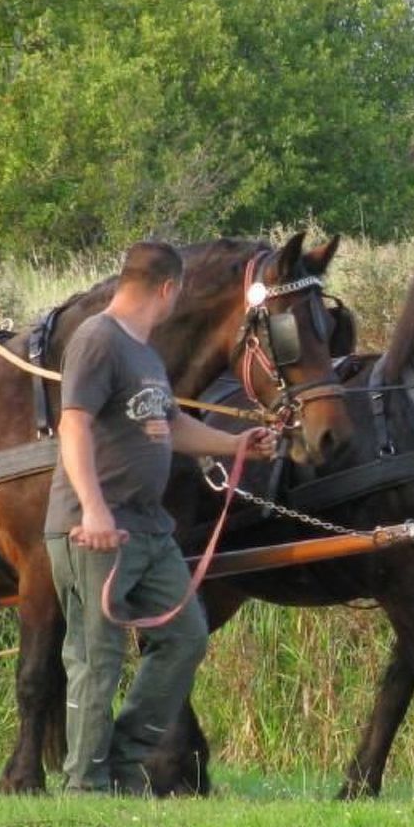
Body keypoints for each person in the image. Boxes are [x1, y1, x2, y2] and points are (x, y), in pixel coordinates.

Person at [45, 241, 279, 794]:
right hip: (96, 530)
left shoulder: (145, 353)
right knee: (97, 655)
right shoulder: (98, 339)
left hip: (150, 529)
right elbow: (73, 425)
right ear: (169, 289)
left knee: (186, 636)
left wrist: (235, 444)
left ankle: (126, 760)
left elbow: (171, 425)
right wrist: (94, 510)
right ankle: (86, 785)